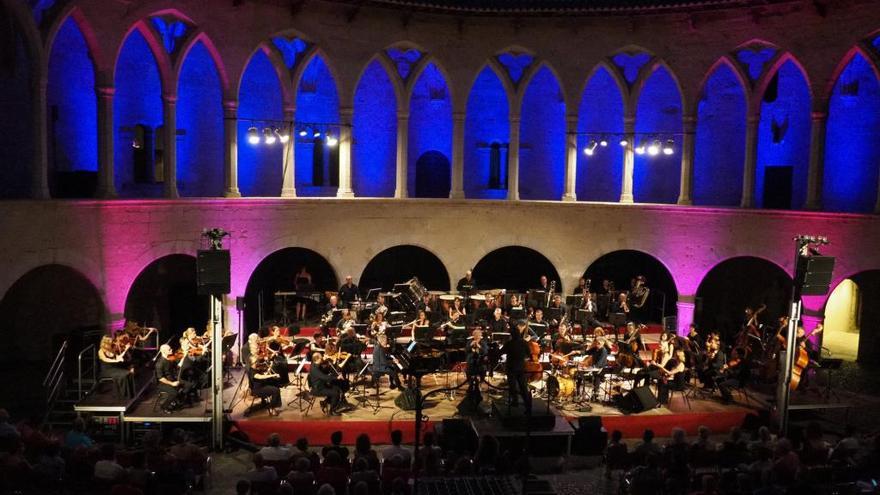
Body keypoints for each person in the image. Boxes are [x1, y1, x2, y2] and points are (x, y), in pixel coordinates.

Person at [500, 321, 531, 411]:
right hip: (521, 367)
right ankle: (527, 404)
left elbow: (501, 352)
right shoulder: (524, 343)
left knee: (512, 386)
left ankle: (515, 402)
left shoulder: (509, 343)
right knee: (523, 386)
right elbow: (528, 354)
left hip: (511, 368)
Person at [156, 344, 190, 413]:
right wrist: (172, 383)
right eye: (169, 350)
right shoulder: (159, 363)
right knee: (174, 393)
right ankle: (164, 407)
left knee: (188, 385)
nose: (171, 350)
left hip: (172, 380)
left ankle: (177, 400)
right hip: (163, 383)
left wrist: (183, 358)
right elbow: (160, 378)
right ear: (164, 351)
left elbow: (178, 366)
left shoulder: (170, 359)